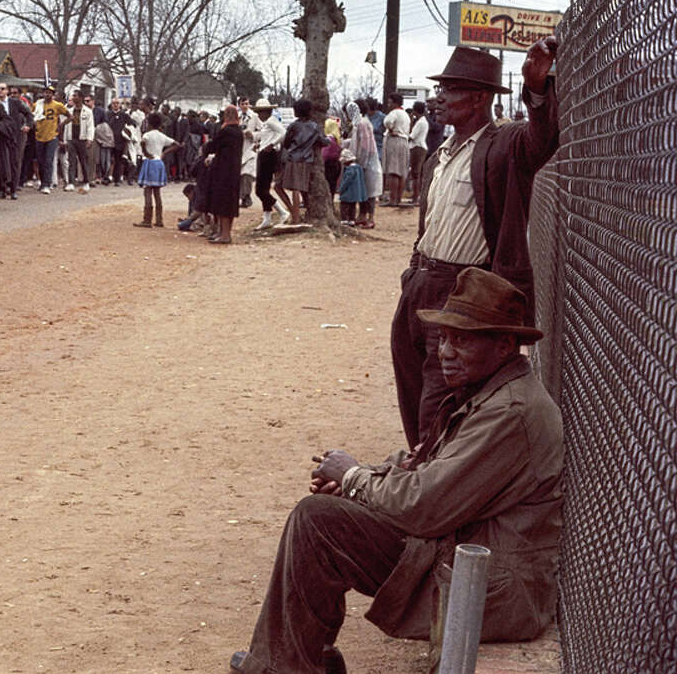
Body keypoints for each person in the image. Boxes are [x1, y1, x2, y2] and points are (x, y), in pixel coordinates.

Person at [230, 268, 563, 674]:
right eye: (444, 338)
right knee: (323, 515)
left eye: (462, 340)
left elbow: (424, 505)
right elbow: (424, 469)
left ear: (506, 345)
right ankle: (303, 659)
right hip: (464, 554)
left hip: (492, 587)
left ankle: (288, 666)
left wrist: (355, 478)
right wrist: (360, 480)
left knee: (318, 521)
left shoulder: (511, 412)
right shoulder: (489, 392)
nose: (446, 352)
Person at [391, 39, 559, 449]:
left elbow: (543, 138)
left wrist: (536, 90)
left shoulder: (503, 146)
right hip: (421, 281)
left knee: (441, 396)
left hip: (463, 290)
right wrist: (413, 273)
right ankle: (419, 469)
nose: (439, 98)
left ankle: (432, 488)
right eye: (440, 88)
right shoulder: (439, 156)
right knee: (411, 382)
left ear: (479, 97)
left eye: (450, 89)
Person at [281, 99, 328, 225]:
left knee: (295, 189)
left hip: (293, 158)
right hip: (307, 159)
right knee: (301, 188)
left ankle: (295, 217)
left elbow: (286, 143)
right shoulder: (314, 126)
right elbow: (324, 142)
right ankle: (302, 213)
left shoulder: (293, 126)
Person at [204, 104, 244, 243]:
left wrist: (207, 146)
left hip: (223, 170)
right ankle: (225, 233)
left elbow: (212, 146)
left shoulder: (225, 131)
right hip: (235, 170)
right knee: (231, 202)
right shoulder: (239, 131)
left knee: (222, 202)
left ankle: (224, 234)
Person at [133, 113, 177, 228]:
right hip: (159, 162)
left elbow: (142, 142)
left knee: (147, 191)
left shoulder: (147, 134)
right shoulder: (162, 136)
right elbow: (176, 144)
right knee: (157, 193)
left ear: (150, 123)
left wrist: (146, 153)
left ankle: (147, 219)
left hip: (149, 162)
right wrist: (164, 153)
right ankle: (159, 219)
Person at [252, 98, 289, 230]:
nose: (259, 115)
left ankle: (282, 212)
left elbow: (283, 133)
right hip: (264, 153)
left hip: (268, 155)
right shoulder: (266, 123)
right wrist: (259, 144)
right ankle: (267, 217)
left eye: (261, 112)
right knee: (263, 188)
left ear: (267, 112)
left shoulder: (272, 121)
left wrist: (272, 144)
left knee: (260, 190)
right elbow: (267, 137)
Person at [344, 101, 381, 229]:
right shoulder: (361, 123)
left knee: (370, 191)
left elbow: (365, 146)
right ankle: (362, 215)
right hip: (364, 161)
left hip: (367, 162)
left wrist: (360, 162)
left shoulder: (362, 124)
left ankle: (370, 218)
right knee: (364, 191)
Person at [32, 85, 69, 195]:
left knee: (48, 160)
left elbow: (70, 116)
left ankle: (47, 184)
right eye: (45, 92)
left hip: (52, 136)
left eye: (50, 93)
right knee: (40, 161)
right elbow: (31, 115)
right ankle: (43, 182)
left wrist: (61, 125)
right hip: (39, 135)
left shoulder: (58, 105)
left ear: (53, 95)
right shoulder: (37, 104)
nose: (47, 94)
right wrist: (33, 123)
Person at [381, 94, 411, 206]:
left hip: (395, 140)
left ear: (394, 103)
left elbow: (387, 122)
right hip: (404, 141)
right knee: (401, 171)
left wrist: (390, 129)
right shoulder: (406, 115)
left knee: (394, 171)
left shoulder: (393, 113)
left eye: (390, 102)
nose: (389, 105)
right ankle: (398, 199)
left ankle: (392, 200)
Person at [407, 100, 429, 204]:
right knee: (416, 173)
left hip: (417, 147)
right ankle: (416, 196)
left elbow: (412, 136)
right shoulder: (422, 121)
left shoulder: (420, 122)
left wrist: (410, 121)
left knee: (416, 173)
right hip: (419, 147)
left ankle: (416, 197)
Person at [336, 148, 365, 224]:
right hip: (355, 193)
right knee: (352, 207)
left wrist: (340, 189)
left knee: (344, 206)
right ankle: (352, 220)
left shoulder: (349, 170)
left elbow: (346, 182)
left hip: (347, 193)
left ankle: (344, 220)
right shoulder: (358, 168)